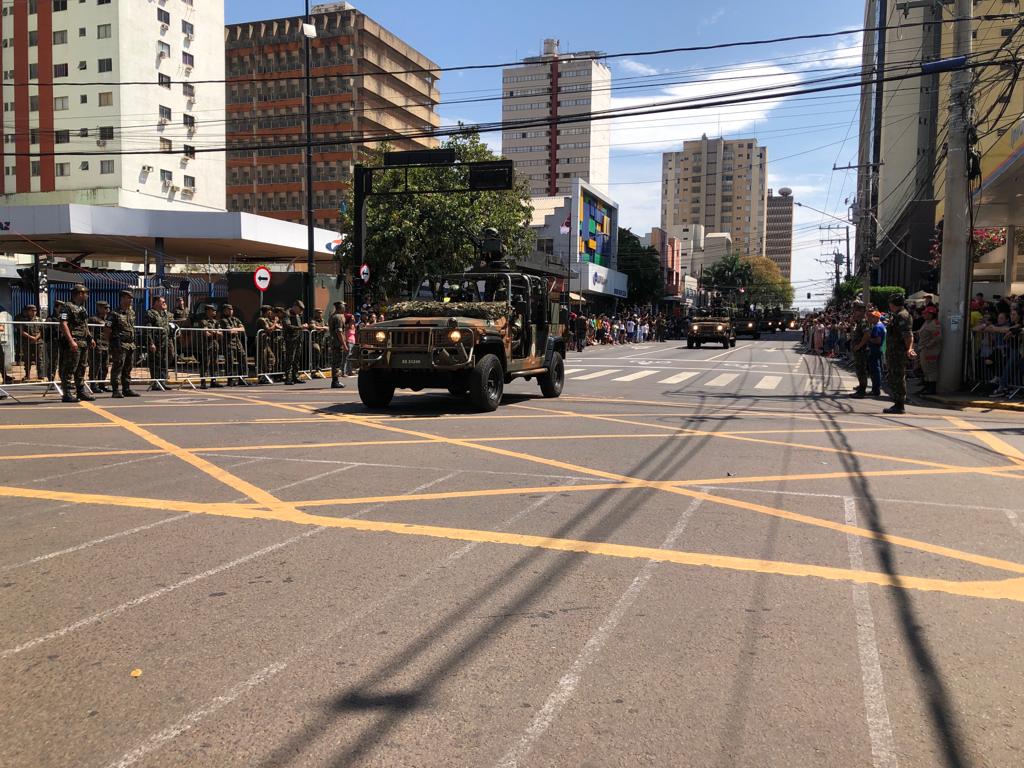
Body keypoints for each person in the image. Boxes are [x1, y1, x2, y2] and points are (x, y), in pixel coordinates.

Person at [58, 284, 96, 403]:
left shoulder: (82, 308)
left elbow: (84, 325)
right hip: (74, 341)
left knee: (81, 368)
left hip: (83, 341)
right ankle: (67, 393)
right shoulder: (67, 307)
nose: (87, 296)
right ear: (80, 294)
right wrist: (70, 341)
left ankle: (80, 391)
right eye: (86, 293)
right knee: (69, 368)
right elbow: (63, 324)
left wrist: (90, 338)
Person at [884, 294, 916, 414]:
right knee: (893, 376)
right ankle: (897, 402)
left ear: (893, 304)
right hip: (893, 352)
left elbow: (908, 334)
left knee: (898, 376)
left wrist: (909, 348)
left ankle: (900, 404)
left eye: (890, 303)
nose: (889, 305)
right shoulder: (897, 315)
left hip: (898, 352)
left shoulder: (903, 315)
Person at [105, 289, 139, 398]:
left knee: (128, 367)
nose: (131, 300)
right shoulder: (114, 314)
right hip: (119, 344)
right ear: (123, 298)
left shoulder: (131, 313)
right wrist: (110, 342)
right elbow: (107, 328)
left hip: (130, 344)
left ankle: (126, 388)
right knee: (118, 367)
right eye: (129, 298)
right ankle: (115, 390)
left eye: (131, 298)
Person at [146, 296, 172, 390]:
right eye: (162, 302)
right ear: (156, 302)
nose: (164, 303)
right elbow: (148, 330)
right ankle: (155, 383)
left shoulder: (163, 313)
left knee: (164, 362)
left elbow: (168, 323)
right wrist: (150, 343)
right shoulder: (150, 313)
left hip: (164, 342)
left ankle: (162, 382)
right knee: (155, 362)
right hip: (156, 341)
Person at [219, 303, 247, 385]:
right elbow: (230, 331)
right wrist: (236, 329)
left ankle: (241, 378)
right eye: (229, 310)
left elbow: (243, 329)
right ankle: (230, 380)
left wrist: (235, 329)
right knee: (229, 362)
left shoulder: (235, 319)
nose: (231, 311)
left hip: (237, 343)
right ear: (225, 311)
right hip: (228, 343)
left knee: (242, 359)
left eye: (231, 309)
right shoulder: (223, 320)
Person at [917, 305, 942, 395]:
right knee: (925, 369)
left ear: (931, 315)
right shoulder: (927, 322)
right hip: (924, 349)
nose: (923, 315)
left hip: (930, 350)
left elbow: (938, 337)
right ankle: (927, 387)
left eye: (925, 313)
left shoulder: (934, 324)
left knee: (931, 370)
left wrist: (927, 346)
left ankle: (931, 389)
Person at [87, 300, 111, 392]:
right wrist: (91, 340)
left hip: (106, 345)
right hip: (97, 345)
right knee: (95, 366)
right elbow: (90, 331)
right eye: (105, 308)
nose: (107, 310)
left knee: (105, 366)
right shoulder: (93, 319)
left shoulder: (108, 320)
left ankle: (102, 384)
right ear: (99, 308)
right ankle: (93, 385)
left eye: (108, 308)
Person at [849, 301, 871, 398]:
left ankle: (862, 391)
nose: (855, 312)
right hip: (858, 350)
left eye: (857, 310)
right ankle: (861, 387)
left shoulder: (863, 321)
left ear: (862, 311)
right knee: (859, 370)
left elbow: (867, 335)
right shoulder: (859, 322)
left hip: (862, 350)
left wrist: (859, 346)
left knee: (861, 370)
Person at [18, 304, 45, 381]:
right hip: (27, 342)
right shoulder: (23, 320)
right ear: (28, 311)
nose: (34, 312)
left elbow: (42, 330)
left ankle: (40, 375)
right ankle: (27, 375)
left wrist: (36, 337)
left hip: (38, 342)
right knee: (27, 359)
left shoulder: (39, 320)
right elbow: (21, 331)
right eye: (32, 311)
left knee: (39, 359)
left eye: (35, 311)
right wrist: (31, 337)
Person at [197, 303, 222, 389]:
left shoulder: (216, 322)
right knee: (205, 364)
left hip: (215, 345)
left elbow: (220, 334)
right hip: (206, 345)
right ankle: (203, 382)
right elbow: (206, 333)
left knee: (215, 363)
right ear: (208, 311)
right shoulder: (203, 321)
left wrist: (212, 332)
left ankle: (213, 381)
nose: (215, 312)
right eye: (213, 310)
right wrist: (215, 332)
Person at [282, 300, 306, 385]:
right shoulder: (287, 314)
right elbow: (287, 326)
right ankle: (288, 378)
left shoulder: (297, 315)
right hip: (290, 339)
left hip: (297, 339)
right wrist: (300, 327)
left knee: (296, 360)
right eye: (300, 309)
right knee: (290, 359)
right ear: (295, 307)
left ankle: (295, 376)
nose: (301, 312)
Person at [255, 304, 278, 382]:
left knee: (271, 358)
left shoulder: (267, 320)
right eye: (270, 311)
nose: (271, 313)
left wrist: (274, 323)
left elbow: (276, 327)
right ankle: (262, 377)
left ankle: (266, 375)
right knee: (262, 360)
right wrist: (275, 322)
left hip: (266, 342)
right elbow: (269, 329)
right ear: (267, 312)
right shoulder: (262, 320)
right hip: (261, 342)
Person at [328, 300, 347, 389]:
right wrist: (344, 344)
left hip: (334, 342)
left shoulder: (332, 316)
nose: (345, 308)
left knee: (335, 362)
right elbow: (339, 332)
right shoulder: (339, 317)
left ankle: (335, 381)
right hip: (337, 342)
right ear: (341, 308)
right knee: (337, 362)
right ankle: (335, 382)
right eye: (344, 306)